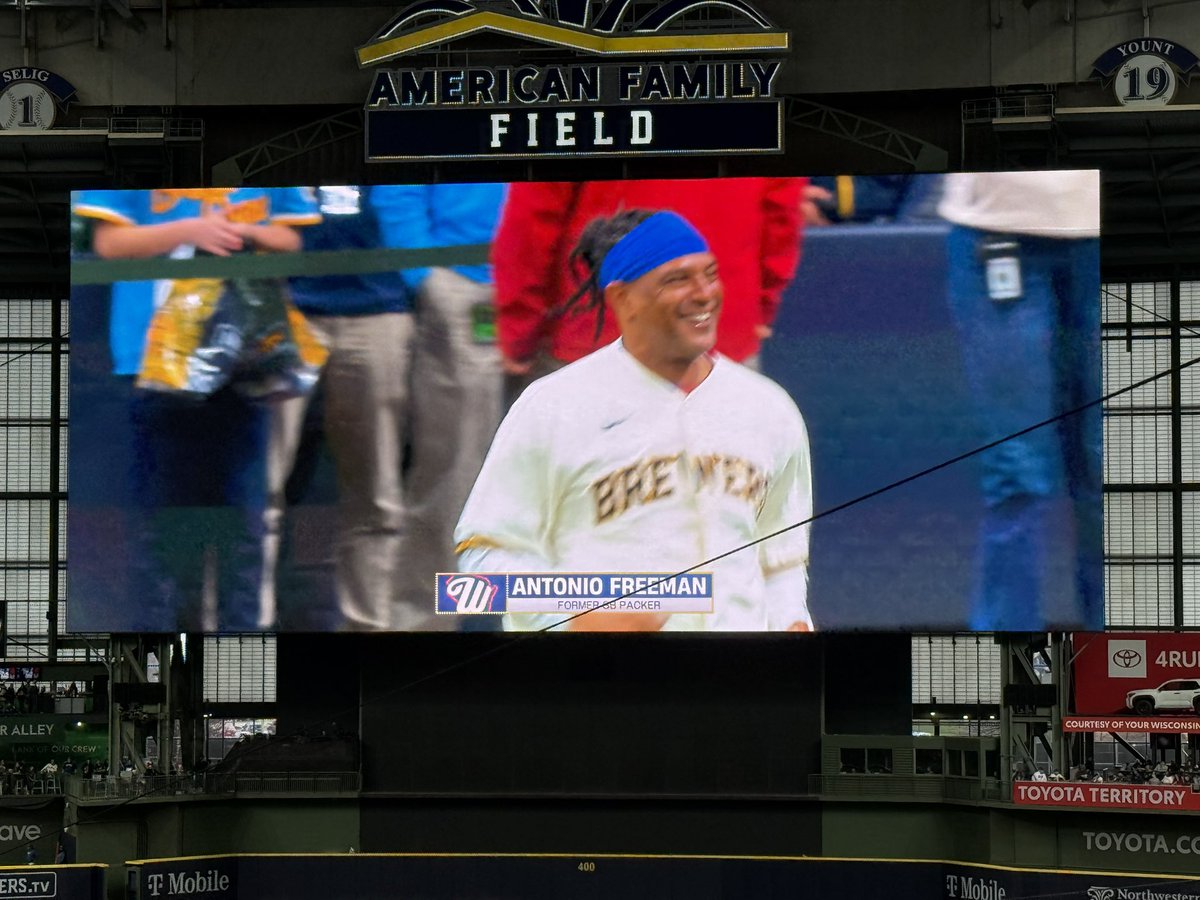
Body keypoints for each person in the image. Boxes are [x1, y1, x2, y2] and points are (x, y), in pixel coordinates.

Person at [455, 210, 813, 632]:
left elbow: (782, 557)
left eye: (710, 275)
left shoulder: (768, 408)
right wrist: (574, 617)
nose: (703, 294)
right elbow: (473, 579)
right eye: (677, 280)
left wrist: (793, 619)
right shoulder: (553, 407)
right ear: (622, 299)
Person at [71, 187, 321, 631]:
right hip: (155, 362)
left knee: (242, 526)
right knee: (162, 530)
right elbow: (108, 244)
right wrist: (190, 230)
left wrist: (243, 231)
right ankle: (159, 667)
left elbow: (292, 238)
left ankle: (238, 660)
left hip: (243, 359)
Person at [938, 171, 1101, 632]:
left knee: (1111, 468)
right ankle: (1009, 666)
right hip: (995, 230)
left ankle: (1130, 663)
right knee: (1016, 468)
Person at [492, 177, 804, 405]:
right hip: (718, 342)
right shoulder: (755, 93)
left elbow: (530, 226)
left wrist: (518, 332)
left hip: (600, 342)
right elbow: (781, 219)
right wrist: (761, 308)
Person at [263, 186, 415, 631]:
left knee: (377, 494)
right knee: (261, 489)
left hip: (378, 309)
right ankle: (244, 627)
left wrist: (418, 280)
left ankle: (369, 632)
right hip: (284, 305)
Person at [369, 183, 508, 628]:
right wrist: (427, 277)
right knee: (455, 470)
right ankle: (425, 626)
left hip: (556, 285)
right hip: (464, 287)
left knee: (555, 476)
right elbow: (398, 191)